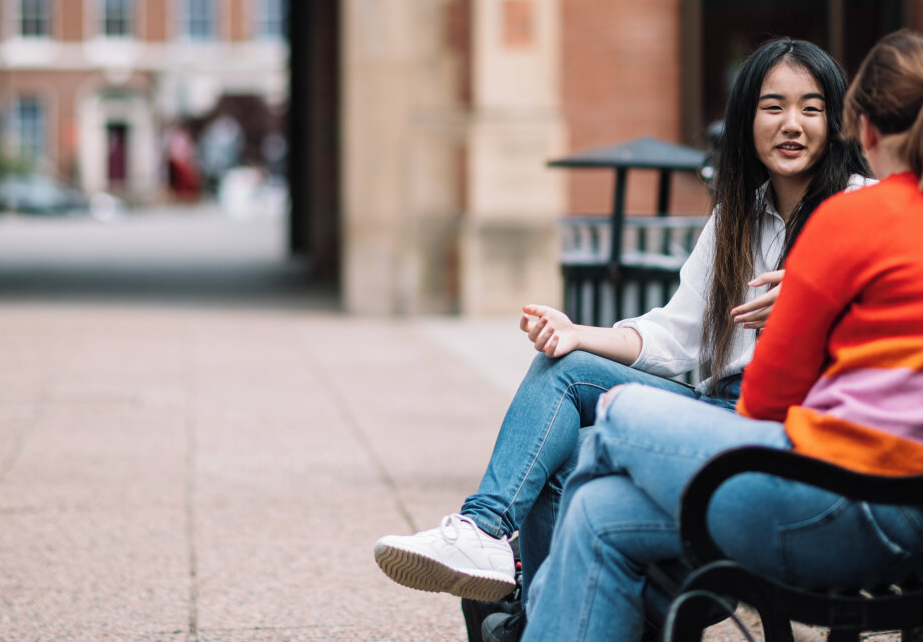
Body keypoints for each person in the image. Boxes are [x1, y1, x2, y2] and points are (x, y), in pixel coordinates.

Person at [516, 30, 923, 642]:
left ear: (865, 131)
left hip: (840, 506)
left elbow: (764, 407)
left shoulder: (848, 221)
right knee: (597, 510)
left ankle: (515, 576)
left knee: (613, 418)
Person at [371, 38, 872, 607]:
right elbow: (674, 336)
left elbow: (903, 311)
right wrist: (579, 333)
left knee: (576, 450)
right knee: (565, 372)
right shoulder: (736, 219)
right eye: (773, 106)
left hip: (786, 427)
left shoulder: (864, 210)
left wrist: (816, 300)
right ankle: (490, 542)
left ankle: (523, 596)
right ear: (745, 120)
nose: (792, 124)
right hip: (717, 407)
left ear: (835, 122)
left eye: (811, 108)